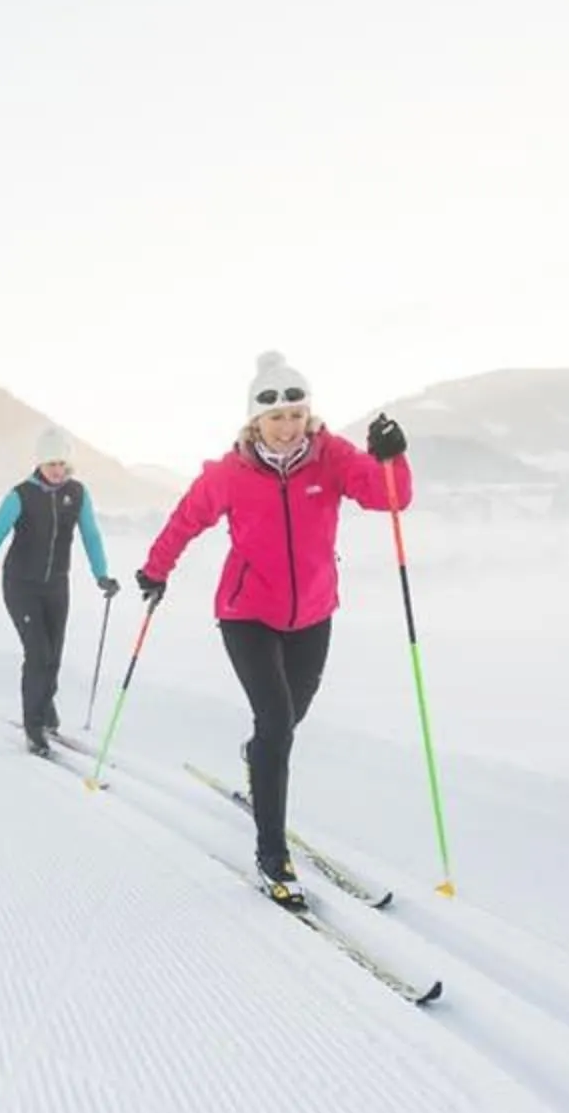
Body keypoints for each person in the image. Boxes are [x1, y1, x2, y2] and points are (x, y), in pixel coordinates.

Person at [135, 351, 412, 902]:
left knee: (284, 723)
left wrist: (393, 456)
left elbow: (391, 496)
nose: (286, 428)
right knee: (278, 720)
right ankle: (271, 852)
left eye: (295, 415)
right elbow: (186, 520)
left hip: (313, 613)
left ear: (307, 416)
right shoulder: (229, 474)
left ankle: (257, 754)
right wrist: (154, 569)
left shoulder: (331, 457)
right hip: (247, 615)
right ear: (253, 421)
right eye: (275, 417)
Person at [0, 425, 118, 754]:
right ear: (39, 464)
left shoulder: (78, 493)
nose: (57, 471)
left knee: (54, 657)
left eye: (62, 464)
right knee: (38, 654)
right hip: (20, 585)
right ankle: (34, 726)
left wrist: (102, 575)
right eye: (51, 464)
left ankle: (45, 705)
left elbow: (91, 536)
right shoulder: (20, 496)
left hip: (57, 585)